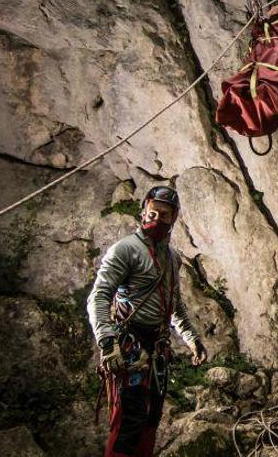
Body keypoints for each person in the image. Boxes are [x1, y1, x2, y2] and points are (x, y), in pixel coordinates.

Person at [87, 186, 207, 457]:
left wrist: (192, 339)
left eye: (165, 215)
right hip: (131, 347)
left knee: (150, 420)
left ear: (173, 219)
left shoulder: (172, 257)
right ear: (143, 212)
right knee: (129, 421)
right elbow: (99, 296)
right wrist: (107, 342)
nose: (157, 219)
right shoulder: (125, 250)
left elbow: (174, 305)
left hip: (158, 350)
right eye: (152, 212)